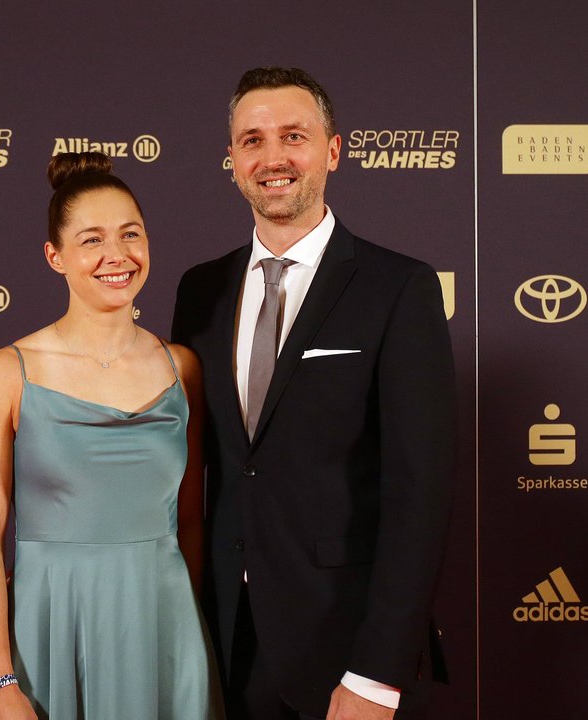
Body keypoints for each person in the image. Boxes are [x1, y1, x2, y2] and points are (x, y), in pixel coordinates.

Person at [171, 67, 456, 720]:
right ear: (232, 160)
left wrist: (377, 674)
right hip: (221, 647)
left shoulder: (399, 288)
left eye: (293, 136)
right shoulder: (199, 291)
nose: (272, 158)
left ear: (332, 150)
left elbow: (420, 496)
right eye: (252, 140)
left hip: (344, 654)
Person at [0, 152, 223, 720]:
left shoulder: (182, 368)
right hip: (52, 625)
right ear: (54, 256)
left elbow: (190, 523)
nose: (117, 256)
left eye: (131, 235)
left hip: (164, 623)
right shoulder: (4, 371)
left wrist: (188, 635)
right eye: (92, 240)